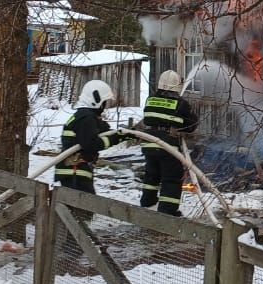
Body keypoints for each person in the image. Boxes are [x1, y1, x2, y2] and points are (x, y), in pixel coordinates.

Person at [139, 70, 199, 216]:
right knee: (171, 177)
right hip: (168, 146)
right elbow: (192, 125)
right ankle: (168, 211)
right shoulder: (181, 104)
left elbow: (147, 120)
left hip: (149, 143)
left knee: (152, 174)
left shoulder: (150, 99)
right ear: (177, 86)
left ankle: (148, 202)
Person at [55, 79, 126, 194]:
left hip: (73, 172)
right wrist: (115, 138)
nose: (104, 106)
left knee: (79, 209)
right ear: (96, 100)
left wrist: (123, 134)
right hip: (75, 172)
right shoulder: (87, 119)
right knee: (83, 209)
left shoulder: (83, 116)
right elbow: (91, 144)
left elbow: (103, 130)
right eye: (104, 102)